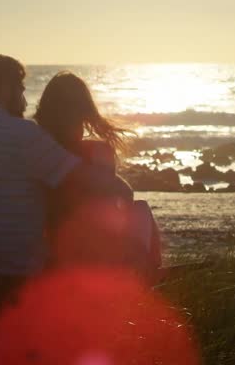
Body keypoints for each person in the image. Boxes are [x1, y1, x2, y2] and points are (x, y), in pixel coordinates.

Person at [0, 53, 133, 279]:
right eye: (22, 90)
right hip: (19, 278)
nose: (25, 101)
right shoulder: (24, 136)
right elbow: (97, 183)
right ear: (7, 89)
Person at [34, 71, 162, 280]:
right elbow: (121, 197)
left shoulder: (36, 151)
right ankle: (148, 272)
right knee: (140, 209)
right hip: (93, 254)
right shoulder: (97, 152)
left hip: (50, 252)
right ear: (83, 114)